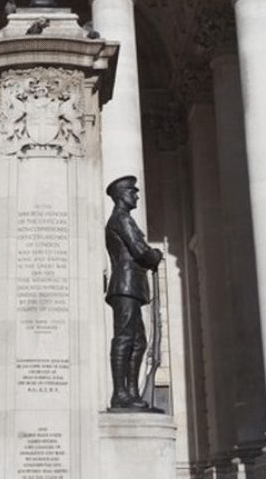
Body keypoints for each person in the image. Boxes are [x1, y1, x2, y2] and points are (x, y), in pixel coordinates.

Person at [103, 175, 162, 410]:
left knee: (139, 342)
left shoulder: (125, 219)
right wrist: (154, 255)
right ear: (122, 195)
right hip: (125, 286)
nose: (136, 195)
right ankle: (120, 394)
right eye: (132, 192)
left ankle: (132, 393)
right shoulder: (121, 220)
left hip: (133, 287)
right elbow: (140, 251)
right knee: (126, 338)